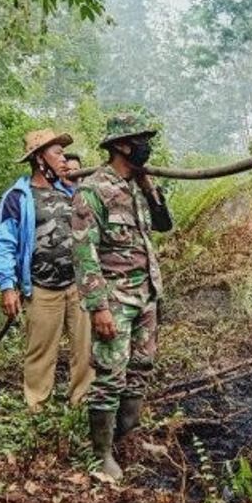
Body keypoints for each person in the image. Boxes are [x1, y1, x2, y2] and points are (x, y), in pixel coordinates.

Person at [71, 113, 174, 480]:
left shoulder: (137, 186)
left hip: (146, 297)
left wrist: (149, 188)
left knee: (139, 371)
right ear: (120, 145)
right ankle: (102, 455)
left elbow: (164, 225)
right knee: (110, 376)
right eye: (140, 140)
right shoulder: (93, 190)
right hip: (115, 300)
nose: (147, 146)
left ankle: (128, 440)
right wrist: (99, 307)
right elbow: (84, 255)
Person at [0, 129, 94, 410]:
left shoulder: (69, 192)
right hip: (41, 287)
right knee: (40, 352)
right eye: (57, 153)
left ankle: (81, 401)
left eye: (63, 152)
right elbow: (4, 243)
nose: (64, 159)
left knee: (84, 349)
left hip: (76, 285)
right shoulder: (17, 197)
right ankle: (37, 404)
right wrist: (7, 286)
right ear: (39, 158)